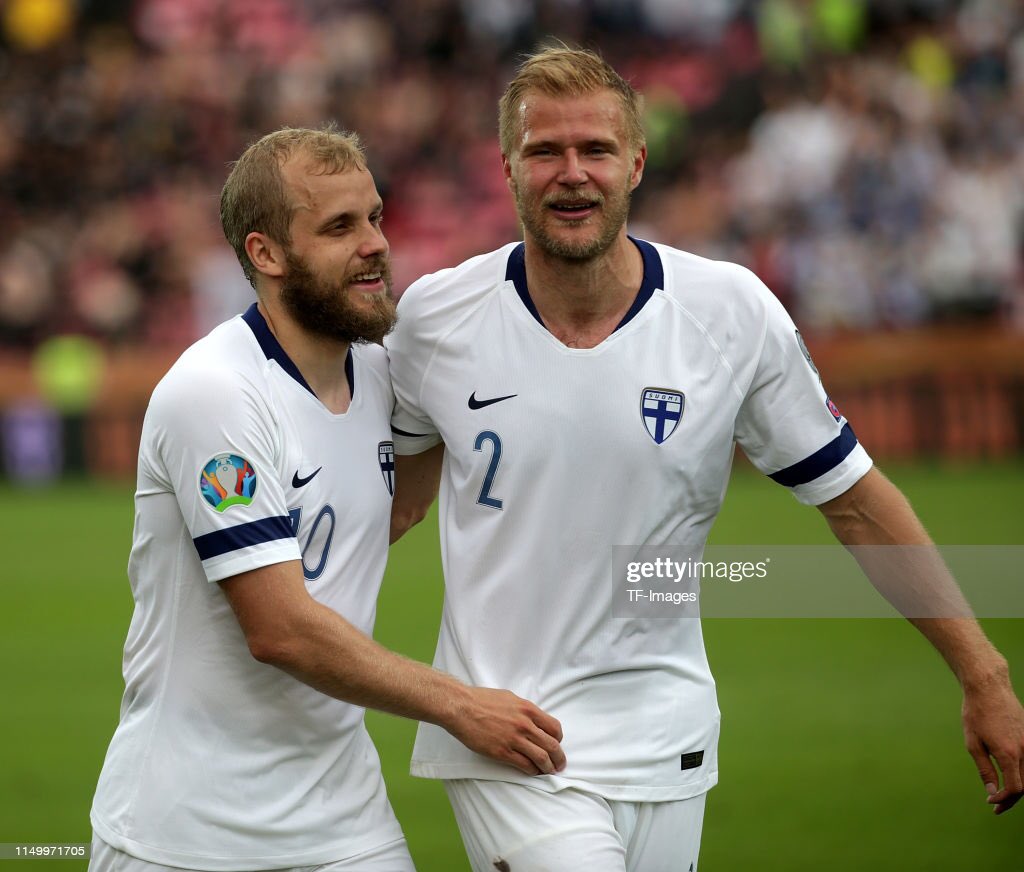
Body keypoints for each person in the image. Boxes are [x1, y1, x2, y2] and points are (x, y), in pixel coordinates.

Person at [385, 47, 1024, 871]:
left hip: (668, 738)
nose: (572, 173)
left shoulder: (731, 314)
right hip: (505, 737)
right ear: (507, 167)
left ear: (636, 164)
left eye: (596, 150)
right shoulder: (437, 317)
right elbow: (390, 501)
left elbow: (856, 502)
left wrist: (984, 674)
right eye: (545, 151)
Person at [89, 125, 565, 872]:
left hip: (346, 826)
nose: (375, 243)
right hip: (186, 833)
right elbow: (280, 629)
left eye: (374, 216)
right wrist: (460, 704)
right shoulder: (216, 393)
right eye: (339, 227)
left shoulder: (380, 377)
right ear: (266, 254)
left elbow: (396, 510)